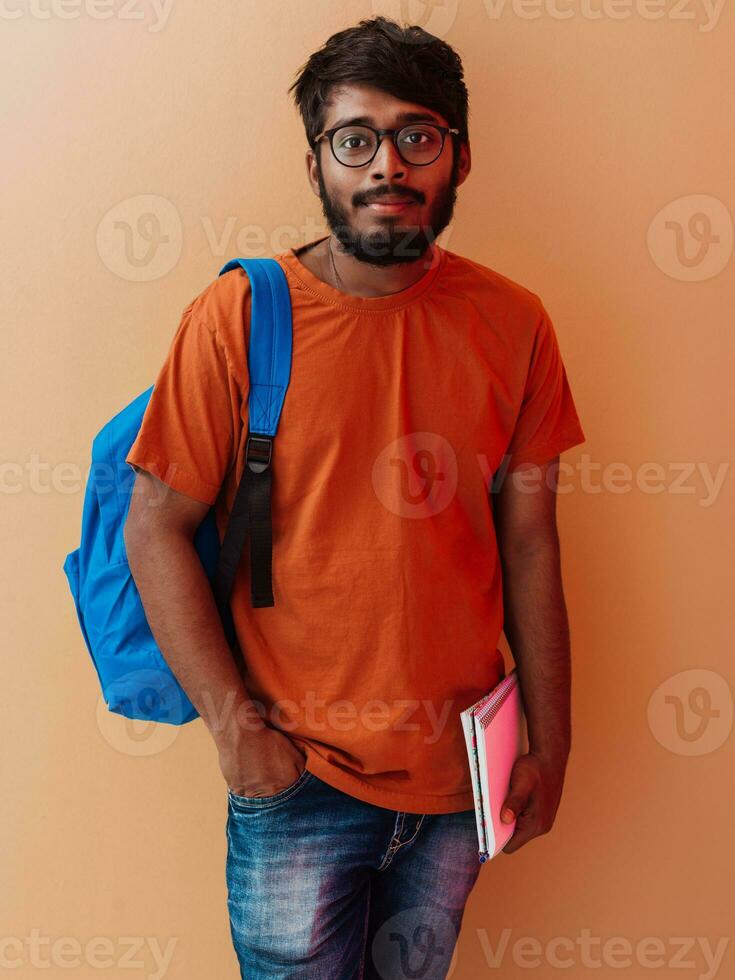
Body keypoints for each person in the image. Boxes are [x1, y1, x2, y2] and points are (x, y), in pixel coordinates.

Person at [123, 15, 586, 980]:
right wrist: (237, 734)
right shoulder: (240, 316)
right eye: (354, 139)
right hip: (297, 778)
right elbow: (154, 525)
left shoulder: (515, 322)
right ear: (316, 165)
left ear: (458, 158)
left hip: (461, 777)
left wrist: (552, 742)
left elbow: (531, 542)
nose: (387, 164)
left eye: (417, 135)